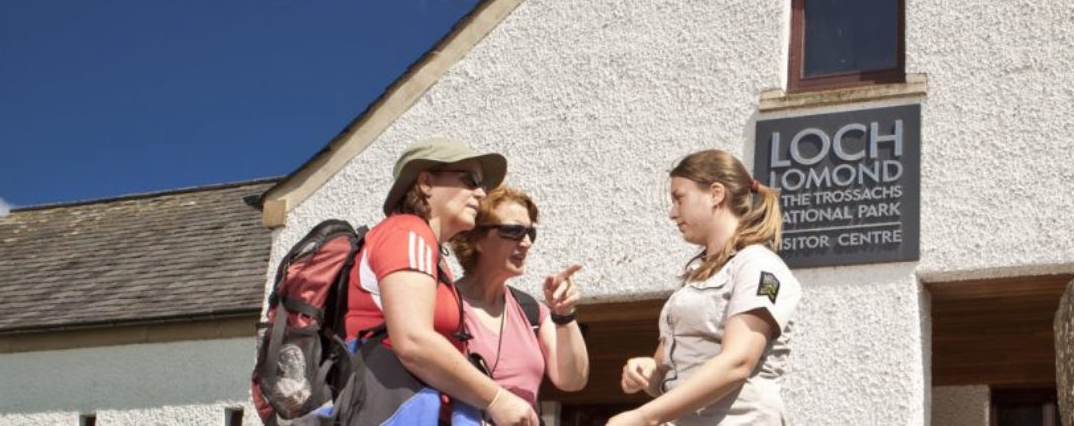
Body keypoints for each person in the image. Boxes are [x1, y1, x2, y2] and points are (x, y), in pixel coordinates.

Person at [338, 137, 538, 426]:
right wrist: (497, 398)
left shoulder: (430, 251)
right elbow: (414, 341)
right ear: (426, 183)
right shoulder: (407, 232)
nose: (481, 193)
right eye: (470, 180)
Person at [611, 149, 804, 426]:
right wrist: (649, 371)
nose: (672, 213)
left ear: (716, 193)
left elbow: (738, 362)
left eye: (679, 198)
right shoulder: (694, 277)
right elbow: (674, 372)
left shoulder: (758, 265)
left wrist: (645, 416)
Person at [446, 184, 590, 409]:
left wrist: (564, 315)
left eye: (530, 232)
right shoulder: (444, 305)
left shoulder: (530, 311)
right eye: (513, 231)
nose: (526, 243)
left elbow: (572, 380)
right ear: (476, 238)